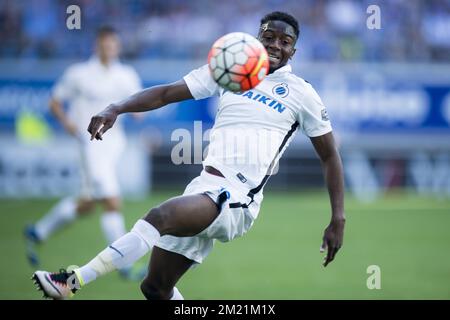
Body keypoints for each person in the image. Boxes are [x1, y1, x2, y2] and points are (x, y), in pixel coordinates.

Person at [32, 12, 346, 300]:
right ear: (257, 39)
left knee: (160, 216)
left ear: (295, 50)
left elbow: (330, 155)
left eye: (285, 41)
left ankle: (71, 282)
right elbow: (167, 93)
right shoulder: (232, 70)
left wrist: (337, 218)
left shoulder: (301, 92)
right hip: (203, 187)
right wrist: (116, 108)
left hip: (237, 198)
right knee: (155, 288)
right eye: (269, 37)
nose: (276, 45)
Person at [25, 26, 145, 280]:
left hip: (115, 146)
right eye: (104, 44)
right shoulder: (79, 74)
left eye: (113, 44)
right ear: (97, 46)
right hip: (90, 143)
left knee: (88, 203)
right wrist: (68, 123)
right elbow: (55, 101)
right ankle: (123, 265)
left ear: (118, 47)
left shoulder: (126, 75)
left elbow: (137, 108)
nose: (109, 49)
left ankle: (39, 231)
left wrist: (139, 111)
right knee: (112, 201)